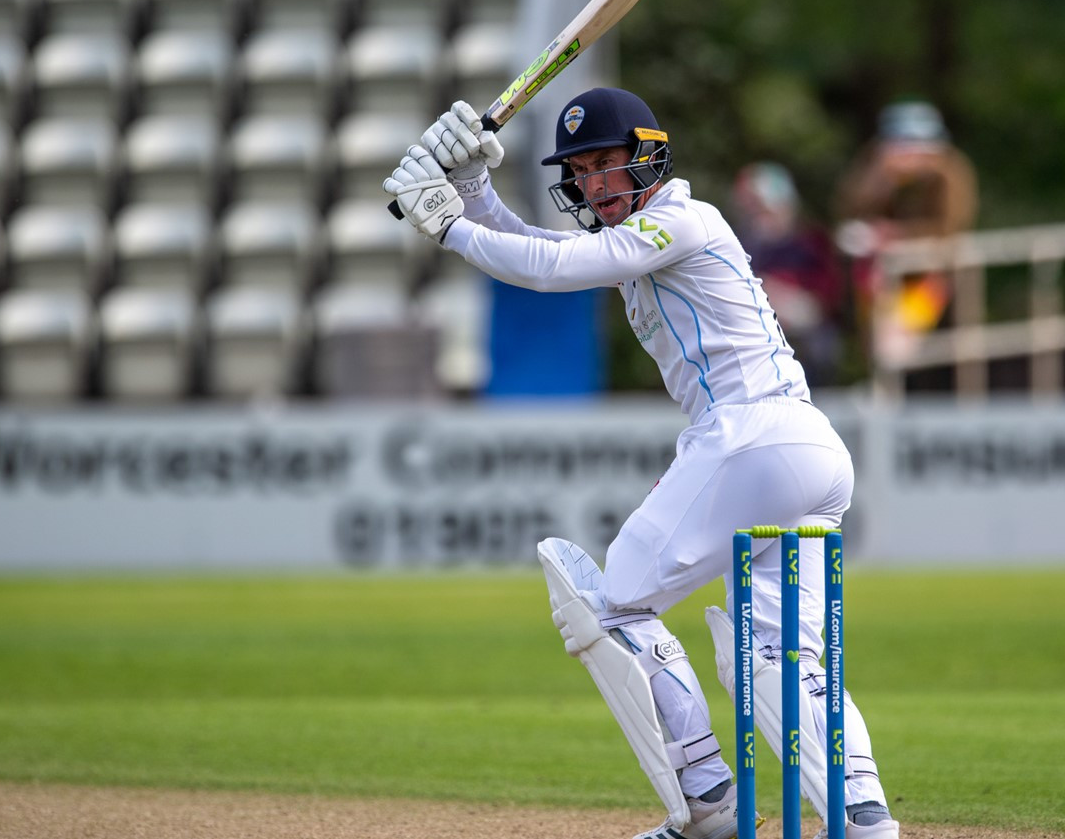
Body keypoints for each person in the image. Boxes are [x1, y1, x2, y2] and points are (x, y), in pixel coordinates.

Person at [383, 89, 902, 839]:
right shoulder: (644, 241)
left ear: (646, 155)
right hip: (807, 448)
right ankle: (862, 815)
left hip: (750, 434)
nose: (594, 183)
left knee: (610, 603)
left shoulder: (681, 219)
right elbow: (545, 249)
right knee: (774, 654)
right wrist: (471, 193)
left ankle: (709, 804)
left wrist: (451, 227)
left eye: (605, 163)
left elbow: (549, 268)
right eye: (581, 170)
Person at [834, 100, 977, 368]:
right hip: (879, 271)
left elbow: (950, 229)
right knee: (879, 341)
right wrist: (881, 180)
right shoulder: (878, 165)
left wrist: (896, 234)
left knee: (894, 345)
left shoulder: (950, 173)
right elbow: (849, 210)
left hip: (928, 273)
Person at [729, 161, 846, 386]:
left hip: (802, 317)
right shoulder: (739, 242)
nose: (756, 216)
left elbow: (827, 296)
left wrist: (782, 293)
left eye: (761, 207)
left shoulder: (810, 241)